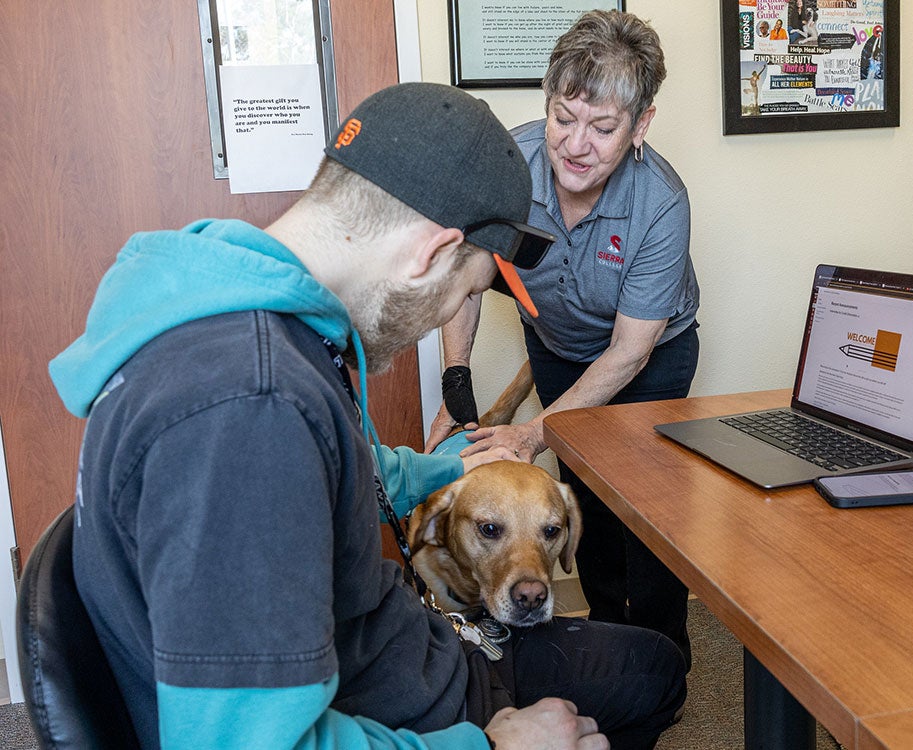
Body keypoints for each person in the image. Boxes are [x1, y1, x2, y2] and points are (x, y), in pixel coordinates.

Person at [48, 82, 686, 750]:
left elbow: (327, 471)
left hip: (386, 649)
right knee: (650, 675)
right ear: (431, 253)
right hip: (406, 710)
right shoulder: (251, 408)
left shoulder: (246, 323)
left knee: (646, 663)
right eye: (463, 292)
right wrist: (495, 747)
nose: (445, 316)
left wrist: (447, 466)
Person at [426, 11, 701, 671]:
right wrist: (455, 386)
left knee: (650, 517)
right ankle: (610, 643)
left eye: (603, 128)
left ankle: (666, 658)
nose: (576, 145)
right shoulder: (505, 169)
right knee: (586, 501)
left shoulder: (661, 204)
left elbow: (630, 352)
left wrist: (531, 433)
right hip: (556, 345)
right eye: (562, 117)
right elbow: (465, 282)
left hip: (652, 360)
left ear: (640, 126)